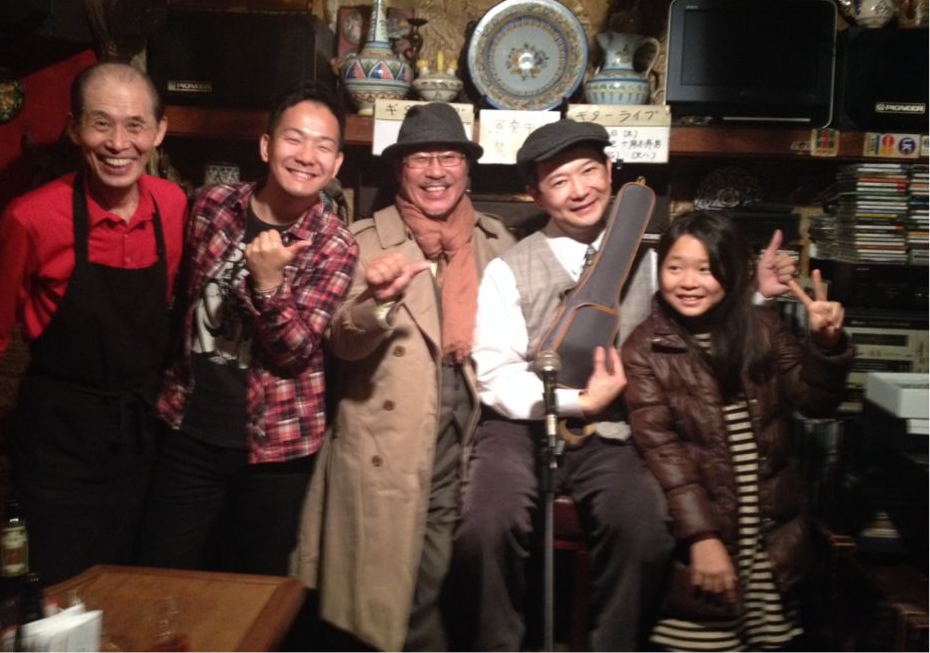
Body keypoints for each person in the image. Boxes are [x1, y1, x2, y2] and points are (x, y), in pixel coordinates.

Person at [449, 118, 798, 651]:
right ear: (535, 194)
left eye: (589, 171)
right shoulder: (509, 269)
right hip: (521, 427)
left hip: (614, 426)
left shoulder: (650, 258)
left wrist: (756, 297)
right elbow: (496, 374)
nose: (579, 189)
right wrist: (576, 399)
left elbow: (695, 317)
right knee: (484, 526)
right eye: (559, 180)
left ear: (610, 172)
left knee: (644, 526)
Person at [0, 61, 188, 585]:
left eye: (135, 125)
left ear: (158, 132)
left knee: (137, 590)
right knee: (60, 595)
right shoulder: (32, 217)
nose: (118, 143)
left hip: (141, 436)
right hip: (60, 444)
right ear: (75, 129)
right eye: (101, 124)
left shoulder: (173, 206)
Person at [293, 103, 515, 651]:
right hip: (382, 450)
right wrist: (378, 302)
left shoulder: (495, 243)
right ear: (399, 171)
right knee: (374, 606)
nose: (436, 171)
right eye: (420, 159)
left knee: (429, 593)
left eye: (449, 157)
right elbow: (340, 341)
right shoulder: (363, 241)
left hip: (460, 450)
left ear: (467, 168)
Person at [137, 80, 358, 577]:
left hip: (276, 449)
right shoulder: (211, 206)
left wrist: (269, 285)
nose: (307, 156)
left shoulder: (334, 244)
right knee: (159, 575)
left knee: (253, 590)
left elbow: (295, 350)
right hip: (186, 430)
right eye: (294, 139)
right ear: (266, 145)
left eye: (323, 146)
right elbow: (180, 300)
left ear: (337, 164)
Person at [621, 211, 852, 651]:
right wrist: (703, 539)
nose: (689, 282)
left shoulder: (762, 327)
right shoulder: (645, 347)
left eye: (706, 269)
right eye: (675, 267)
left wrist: (826, 347)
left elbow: (815, 401)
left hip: (766, 533)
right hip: (702, 529)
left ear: (732, 271)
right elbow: (663, 453)